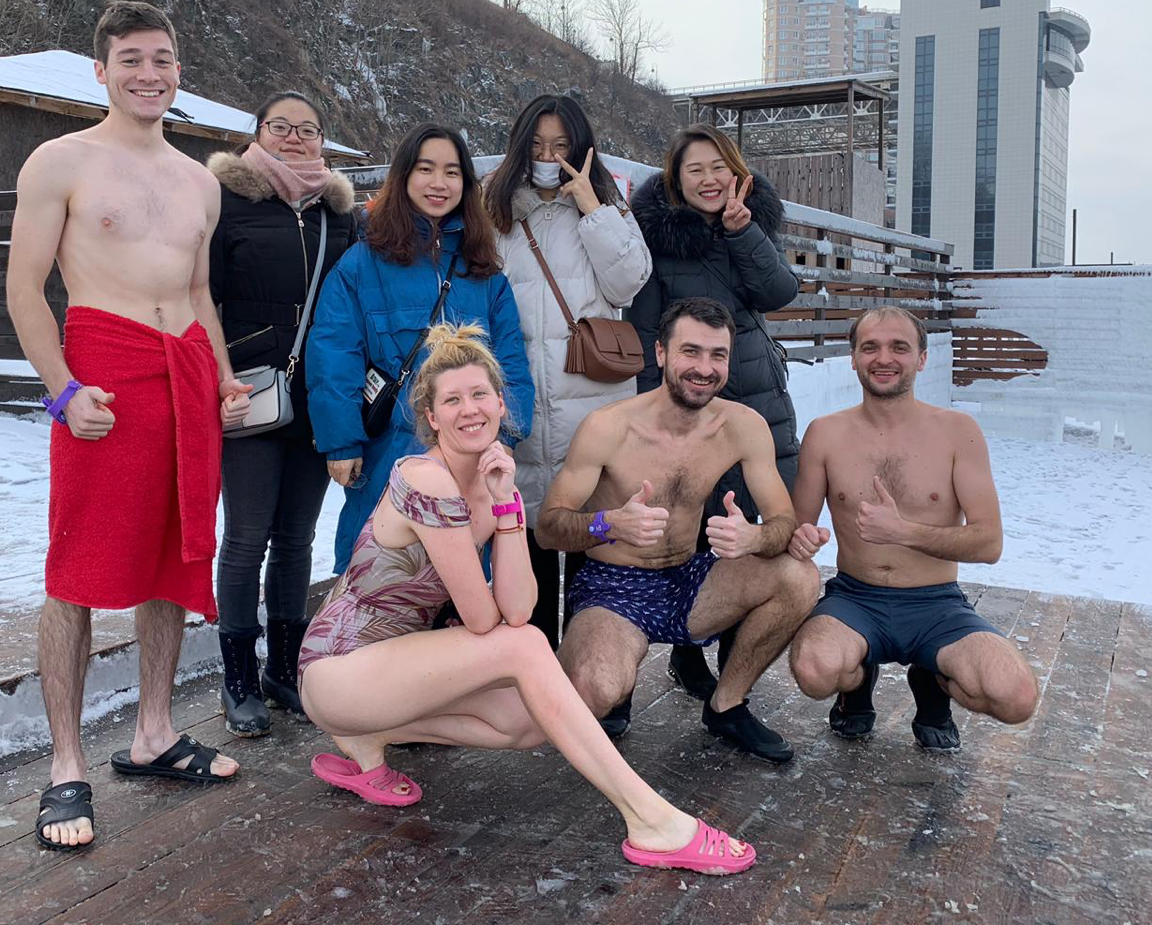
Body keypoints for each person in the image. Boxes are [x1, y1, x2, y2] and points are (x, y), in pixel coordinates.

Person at [297, 324, 755, 876]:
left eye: (480, 394)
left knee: (528, 720)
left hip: (392, 674)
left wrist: (509, 506)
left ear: (499, 402)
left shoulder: (495, 488)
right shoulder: (425, 478)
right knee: (525, 649)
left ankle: (370, 732)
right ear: (432, 417)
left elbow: (516, 609)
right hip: (336, 669)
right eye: (452, 400)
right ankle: (651, 819)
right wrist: (508, 553)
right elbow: (485, 619)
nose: (470, 410)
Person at [6, 1, 251, 850]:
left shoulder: (199, 181)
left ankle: (152, 731)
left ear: (180, 70)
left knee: (174, 555)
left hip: (184, 371)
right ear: (101, 69)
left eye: (164, 59)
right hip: (102, 372)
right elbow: (24, 288)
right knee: (75, 568)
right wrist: (63, 391)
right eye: (133, 59)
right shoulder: (60, 161)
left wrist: (221, 375)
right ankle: (65, 765)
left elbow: (196, 294)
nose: (151, 73)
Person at [536, 298, 820, 763]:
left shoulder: (742, 426)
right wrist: (610, 524)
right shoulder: (608, 427)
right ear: (661, 354)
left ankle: (727, 703)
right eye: (691, 352)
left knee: (800, 576)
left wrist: (756, 537)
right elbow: (548, 530)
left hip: (691, 578)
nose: (704, 368)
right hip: (615, 588)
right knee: (592, 691)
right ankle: (617, 683)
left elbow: (783, 522)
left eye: (718, 355)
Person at [786, 306, 1039, 751]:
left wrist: (904, 532)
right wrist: (800, 538)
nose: (884, 358)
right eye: (870, 347)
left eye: (899, 347)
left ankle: (934, 680)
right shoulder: (824, 434)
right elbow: (796, 527)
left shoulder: (958, 432)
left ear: (922, 358)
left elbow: (989, 543)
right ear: (853, 358)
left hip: (936, 606)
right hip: (855, 599)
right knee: (813, 671)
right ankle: (857, 684)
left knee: (1016, 698)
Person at [307, 123, 534, 574]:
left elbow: (510, 361)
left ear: (466, 185)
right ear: (404, 176)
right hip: (388, 451)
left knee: (465, 579)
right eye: (426, 168)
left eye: (452, 172)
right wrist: (341, 442)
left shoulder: (483, 271)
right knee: (378, 577)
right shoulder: (363, 261)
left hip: (469, 453)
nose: (438, 183)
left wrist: (505, 436)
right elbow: (334, 352)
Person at [629, 124, 804, 711]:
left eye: (717, 167)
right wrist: (659, 416)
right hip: (691, 402)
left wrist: (743, 231)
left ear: (736, 172)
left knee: (757, 529)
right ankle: (688, 649)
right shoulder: (657, 240)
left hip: (758, 397)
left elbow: (780, 291)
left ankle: (738, 664)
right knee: (699, 524)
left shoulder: (751, 224)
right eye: (694, 170)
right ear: (675, 181)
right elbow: (648, 330)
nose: (708, 179)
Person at [206, 91, 357, 736]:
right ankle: (237, 677)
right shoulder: (224, 202)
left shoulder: (338, 215)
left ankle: (284, 669)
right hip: (248, 393)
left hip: (315, 398)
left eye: (309, 130)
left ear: (323, 140)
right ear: (259, 133)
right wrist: (219, 375)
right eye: (281, 127)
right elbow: (199, 297)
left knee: (296, 538)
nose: (296, 138)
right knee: (245, 538)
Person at [483, 94, 652, 648]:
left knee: (591, 540)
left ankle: (590, 675)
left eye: (560, 146)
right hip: (521, 400)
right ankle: (531, 678)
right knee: (525, 540)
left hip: (592, 407)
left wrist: (592, 209)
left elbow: (629, 283)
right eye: (536, 146)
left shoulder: (607, 208)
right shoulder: (498, 212)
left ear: (582, 150)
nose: (548, 157)